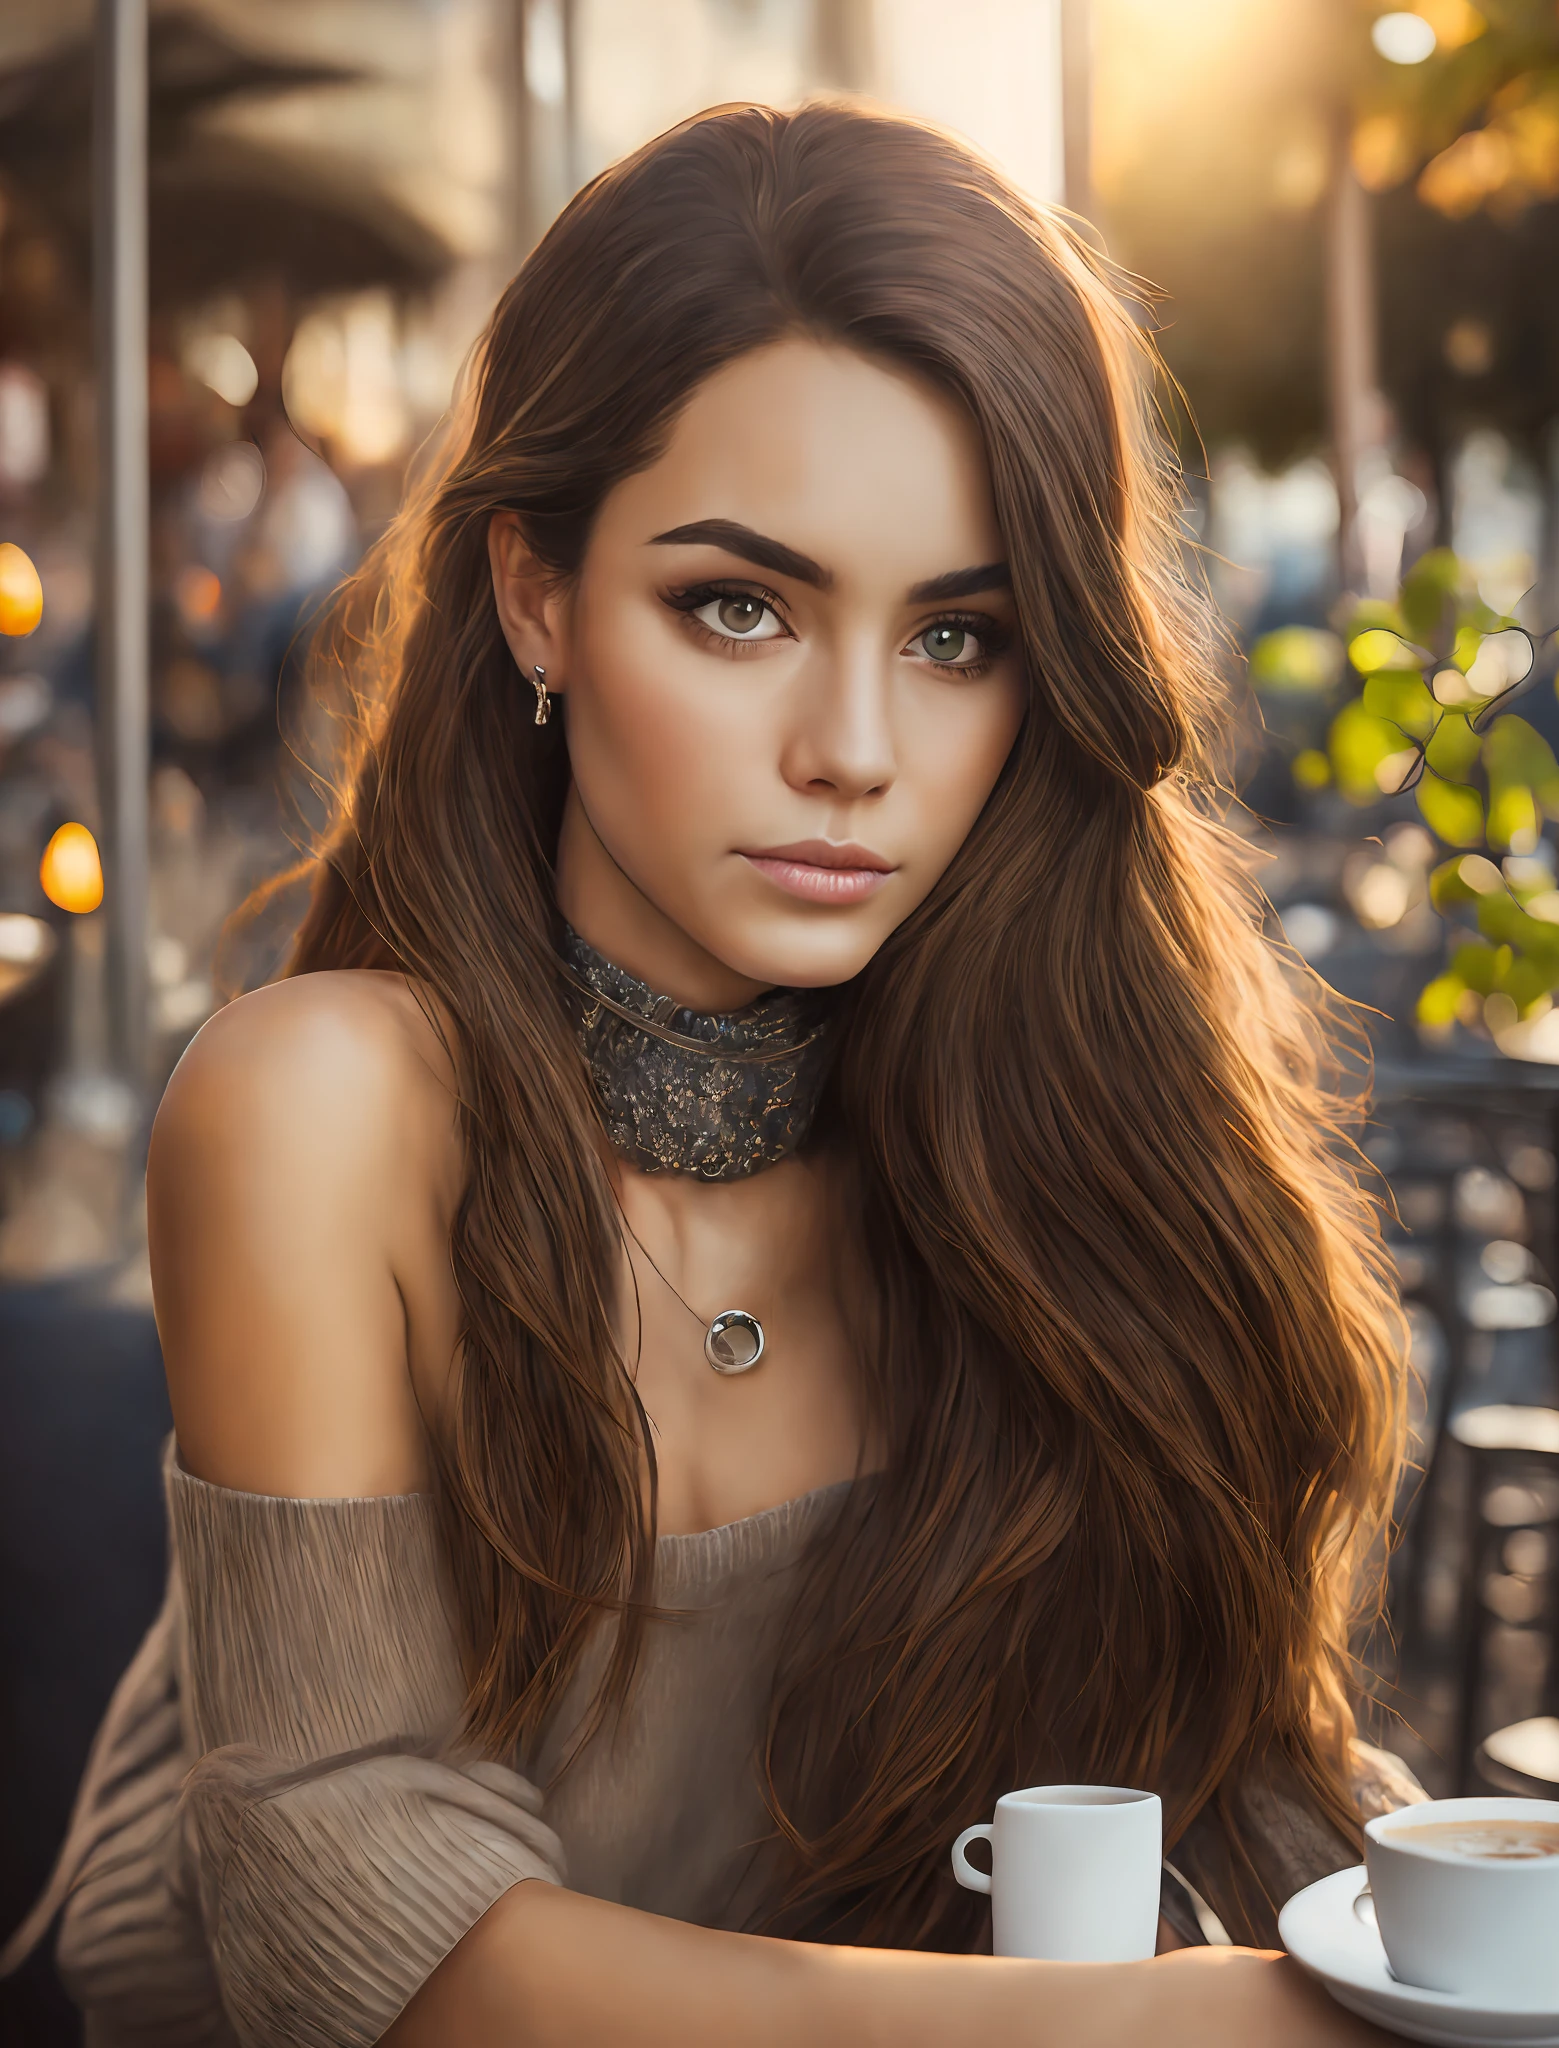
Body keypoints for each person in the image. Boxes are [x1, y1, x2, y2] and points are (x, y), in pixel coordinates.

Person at [12, 103, 1419, 2045]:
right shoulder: (321, 1108)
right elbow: (357, 1927)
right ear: (534, 596)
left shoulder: (1057, 1126)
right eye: (737, 605)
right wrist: (1184, 2023)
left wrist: (1448, 1956)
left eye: (955, 633)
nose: (852, 745)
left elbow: (1249, 1782)